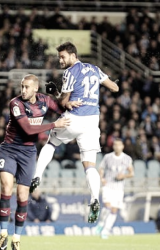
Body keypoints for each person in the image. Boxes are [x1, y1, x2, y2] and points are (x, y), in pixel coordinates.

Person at [30, 42, 119, 224]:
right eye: (59, 57)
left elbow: (64, 103)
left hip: (74, 119)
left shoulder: (70, 72)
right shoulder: (94, 68)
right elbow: (115, 88)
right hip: (92, 121)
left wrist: (56, 93)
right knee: (90, 165)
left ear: (73, 55)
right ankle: (95, 199)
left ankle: (37, 176)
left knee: (51, 143)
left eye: (63, 56)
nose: (60, 60)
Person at [0, 74, 76, 250]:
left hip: (28, 153)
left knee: (23, 196)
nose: (23, 90)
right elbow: (28, 128)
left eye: (26, 87)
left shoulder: (45, 101)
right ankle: (3, 235)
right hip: (9, 150)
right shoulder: (15, 104)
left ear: (35, 89)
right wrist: (54, 125)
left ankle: (16, 239)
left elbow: (63, 109)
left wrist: (57, 95)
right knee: (6, 186)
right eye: (22, 86)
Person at [96, 138, 134, 239]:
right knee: (108, 207)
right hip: (108, 186)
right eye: (115, 145)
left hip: (119, 188)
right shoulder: (108, 157)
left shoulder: (127, 159)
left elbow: (131, 173)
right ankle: (101, 223)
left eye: (119, 145)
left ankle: (105, 230)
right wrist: (102, 178)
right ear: (113, 146)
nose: (117, 147)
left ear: (122, 146)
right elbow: (101, 168)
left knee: (114, 210)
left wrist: (124, 176)